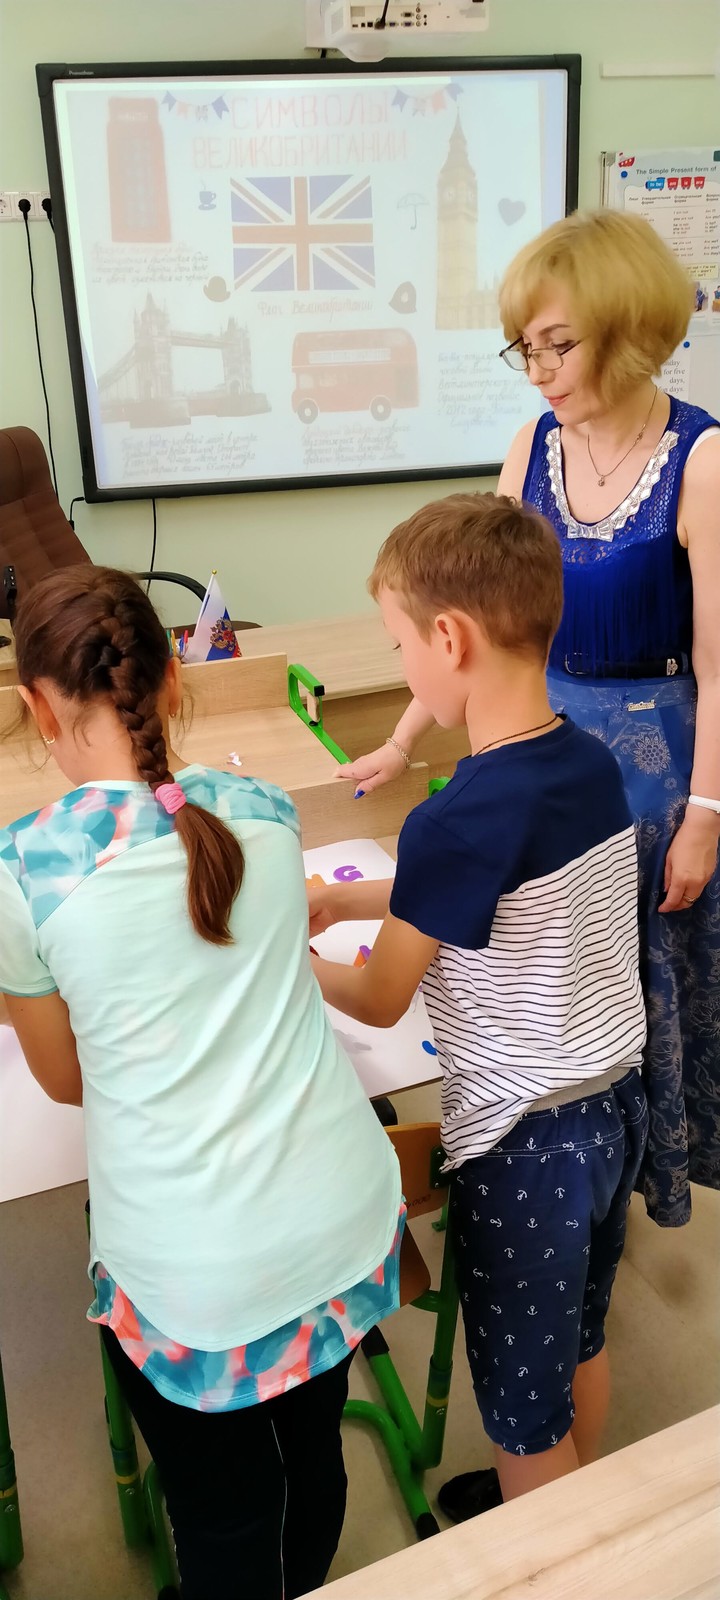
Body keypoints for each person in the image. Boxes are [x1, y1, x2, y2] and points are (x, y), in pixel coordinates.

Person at [0, 567, 403, 1600]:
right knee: (313, 1457)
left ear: (37, 706)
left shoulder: (23, 871)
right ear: (174, 682)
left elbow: (66, 1081)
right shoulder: (262, 808)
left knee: (224, 1515)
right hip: (341, 1215)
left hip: (200, 1277)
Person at [342, 210, 720, 1238]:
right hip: (540, 741)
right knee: (543, 971)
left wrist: (705, 814)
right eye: (526, 348)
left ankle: (630, 1179)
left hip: (655, 766)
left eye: (561, 345)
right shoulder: (533, 444)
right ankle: (556, 1169)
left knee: (645, 983)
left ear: (630, 330)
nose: (540, 372)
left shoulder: (700, 459)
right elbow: (479, 621)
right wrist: (404, 738)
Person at [309, 494, 649, 1507]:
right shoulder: (587, 763)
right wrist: (344, 897)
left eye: (399, 643)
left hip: (525, 1145)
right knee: (580, 1338)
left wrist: (283, 960)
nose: (404, 664)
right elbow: (487, 884)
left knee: (520, 1412)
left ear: (449, 638)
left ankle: (549, 1545)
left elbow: (380, 996)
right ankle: (563, 1500)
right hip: (613, 1110)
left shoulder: (455, 818)